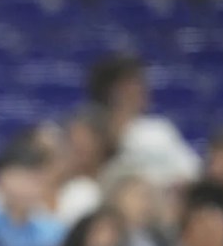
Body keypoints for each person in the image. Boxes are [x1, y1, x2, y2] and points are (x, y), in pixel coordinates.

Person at [86, 53, 201, 189]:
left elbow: (192, 170)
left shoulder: (159, 129)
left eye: (140, 82)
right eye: (132, 83)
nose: (142, 88)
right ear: (113, 90)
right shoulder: (92, 133)